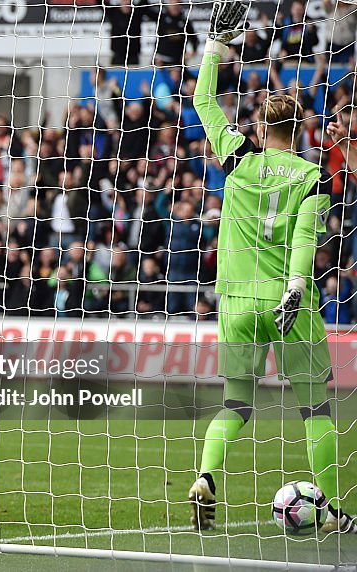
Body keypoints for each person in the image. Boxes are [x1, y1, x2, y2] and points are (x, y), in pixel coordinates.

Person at [189, 1, 355, 535]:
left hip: (236, 302)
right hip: (290, 302)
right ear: (301, 129)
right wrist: (296, 287)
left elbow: (202, 100)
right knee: (316, 412)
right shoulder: (311, 179)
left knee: (236, 402)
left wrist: (219, 45)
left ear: (260, 127)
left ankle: (208, 476)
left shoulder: (236, 159)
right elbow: (306, 239)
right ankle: (327, 508)